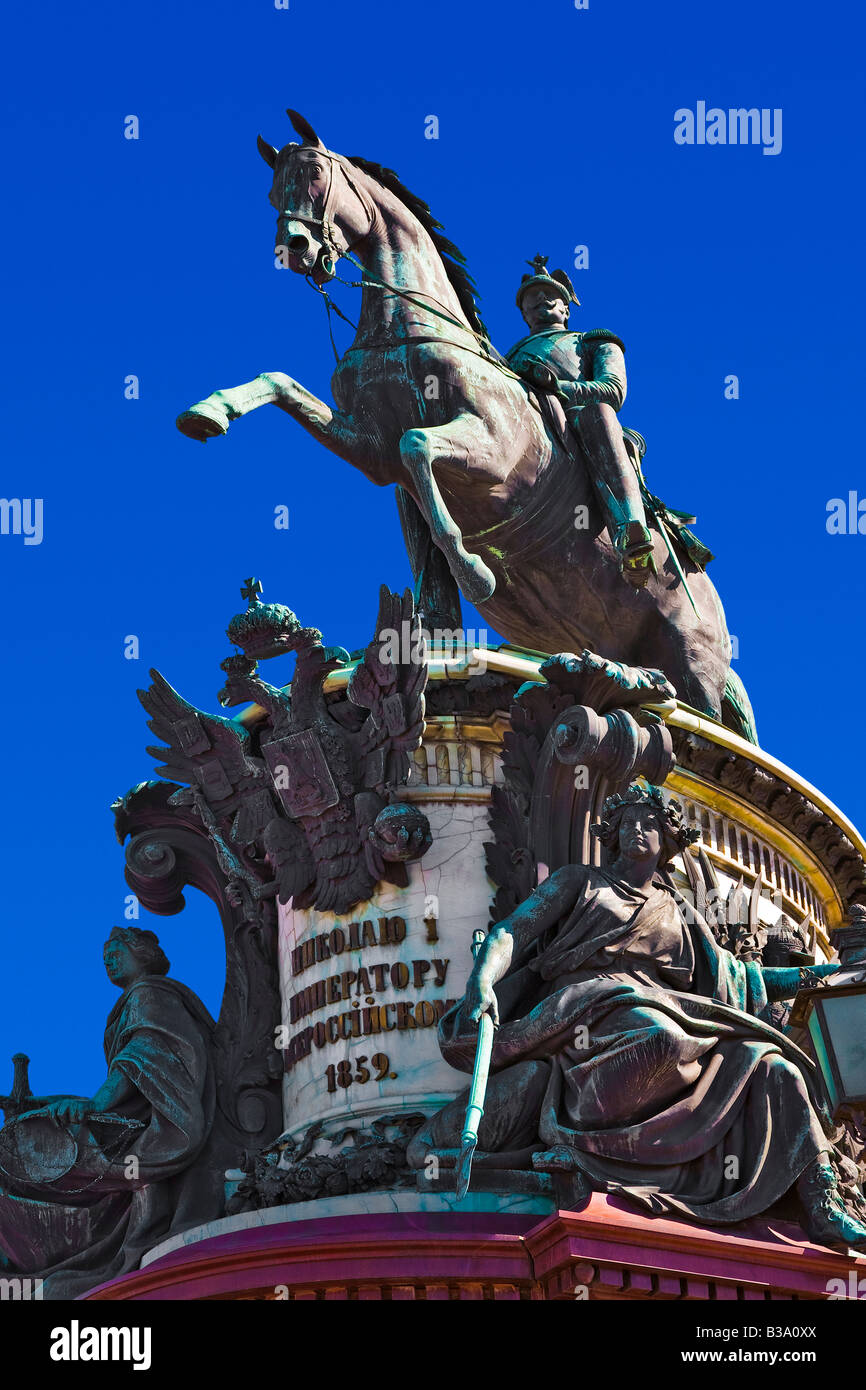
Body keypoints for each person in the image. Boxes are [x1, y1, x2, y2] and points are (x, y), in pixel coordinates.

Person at [410, 785, 866, 1250]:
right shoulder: (580, 882)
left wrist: (831, 975)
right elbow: (512, 930)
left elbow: (743, 978)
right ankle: (601, 1142)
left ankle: (822, 1202)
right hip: (587, 1012)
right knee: (661, 1038)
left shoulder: (680, 912)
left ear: (667, 838)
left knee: (773, 1065)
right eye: (626, 821)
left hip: (666, 1013)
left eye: (647, 821)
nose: (635, 828)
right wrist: (481, 982)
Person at [0, 927, 220, 1297]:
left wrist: (96, 1105)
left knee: (18, 1166)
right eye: (104, 959)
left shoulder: (148, 994)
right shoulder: (133, 1002)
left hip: (156, 1135)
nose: (108, 961)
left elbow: (142, 1057)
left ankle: (51, 1263)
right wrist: (49, 1105)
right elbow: (127, 1084)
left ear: (143, 954)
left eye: (116, 953)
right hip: (136, 1127)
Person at [506, 257, 710, 587]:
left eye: (549, 297)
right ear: (523, 314)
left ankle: (631, 534)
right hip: (526, 426)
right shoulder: (506, 359)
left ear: (566, 309)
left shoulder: (592, 341)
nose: (540, 301)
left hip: (585, 424)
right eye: (531, 300)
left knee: (598, 412)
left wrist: (558, 387)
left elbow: (612, 390)